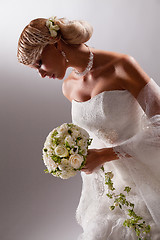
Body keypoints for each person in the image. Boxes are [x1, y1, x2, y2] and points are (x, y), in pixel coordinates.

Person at [17, 16, 160, 239]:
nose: (41, 73)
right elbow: (94, 136)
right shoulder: (68, 87)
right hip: (108, 191)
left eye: (39, 62)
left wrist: (104, 155)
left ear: (56, 44)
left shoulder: (121, 66)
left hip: (145, 178)